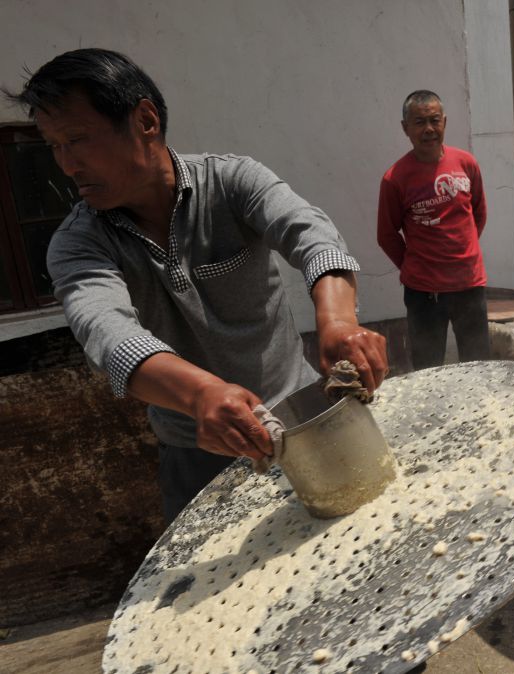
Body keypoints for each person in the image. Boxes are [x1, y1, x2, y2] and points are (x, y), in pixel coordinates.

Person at [4, 48, 388, 522]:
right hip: (196, 450)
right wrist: (201, 394)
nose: (65, 164)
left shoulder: (233, 182)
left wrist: (338, 321)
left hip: (308, 415)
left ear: (145, 120)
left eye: (77, 139)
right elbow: (109, 334)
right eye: (54, 145)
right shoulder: (77, 246)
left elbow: (312, 237)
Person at [377, 90, 490, 370]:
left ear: (445, 123)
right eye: (419, 122)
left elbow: (478, 213)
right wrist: (417, 266)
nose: (428, 129)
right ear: (405, 128)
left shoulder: (466, 163)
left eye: (434, 120)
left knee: (480, 367)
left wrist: (461, 253)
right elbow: (387, 235)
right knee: (428, 370)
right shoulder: (395, 178)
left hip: (469, 286)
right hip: (424, 294)